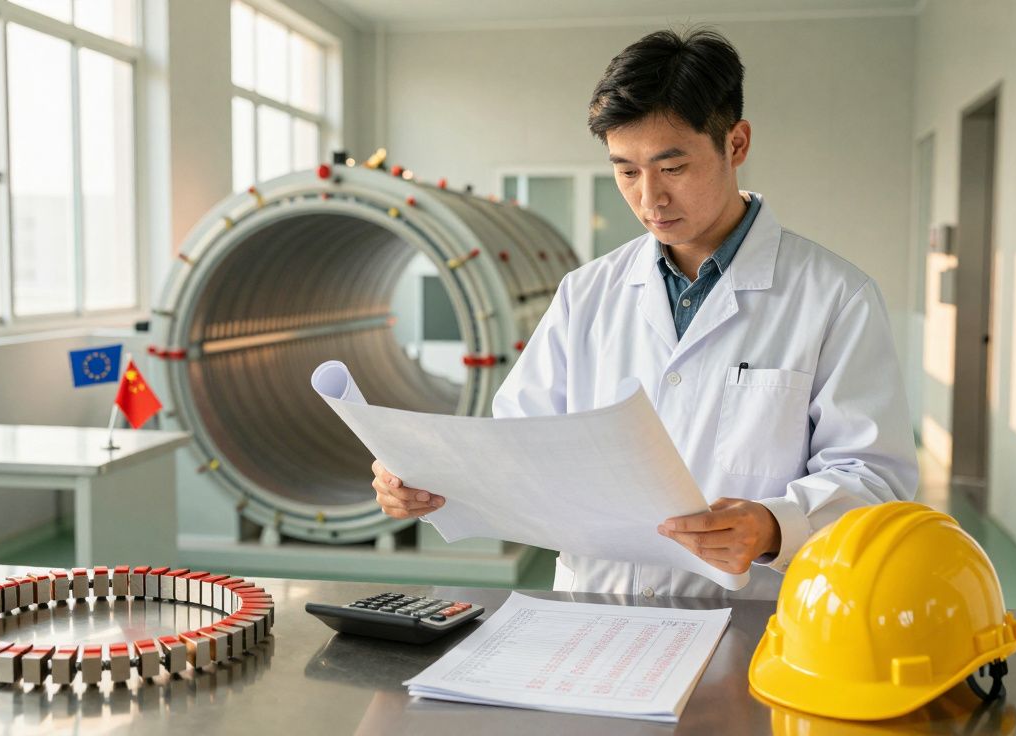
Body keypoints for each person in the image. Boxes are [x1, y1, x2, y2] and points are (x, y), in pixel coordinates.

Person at [370, 28, 918, 599]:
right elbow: (519, 447)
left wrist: (777, 526)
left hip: (753, 621)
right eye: (627, 170)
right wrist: (431, 480)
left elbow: (875, 477)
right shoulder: (586, 293)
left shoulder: (834, 296)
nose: (648, 198)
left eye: (672, 167)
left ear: (736, 144)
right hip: (594, 615)